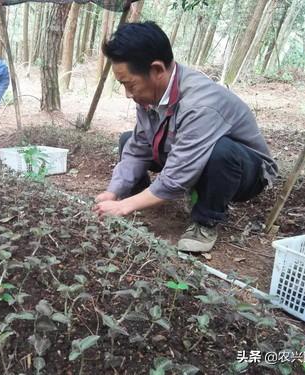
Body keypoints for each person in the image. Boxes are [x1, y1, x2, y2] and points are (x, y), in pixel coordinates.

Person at [93, 22, 278, 253]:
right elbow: (139, 147)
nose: (128, 94)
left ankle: (205, 222)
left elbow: (179, 174)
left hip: (245, 172)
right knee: (128, 139)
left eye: (130, 84)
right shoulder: (149, 95)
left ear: (157, 70)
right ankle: (140, 199)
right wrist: (114, 191)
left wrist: (124, 207)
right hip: (187, 154)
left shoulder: (200, 104)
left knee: (221, 152)